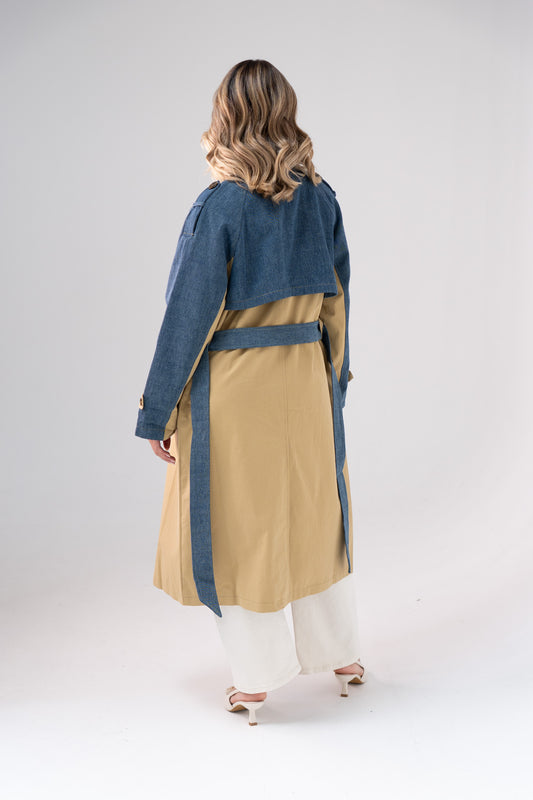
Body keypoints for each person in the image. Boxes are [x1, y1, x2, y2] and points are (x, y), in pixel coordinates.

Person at [134, 59, 366, 725]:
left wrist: (157, 410)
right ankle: (342, 655)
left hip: (234, 390)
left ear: (226, 117)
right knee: (314, 514)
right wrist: (333, 382)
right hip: (304, 379)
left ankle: (257, 680)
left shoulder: (220, 205)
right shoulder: (320, 198)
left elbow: (188, 316)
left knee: (240, 530)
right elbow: (337, 301)